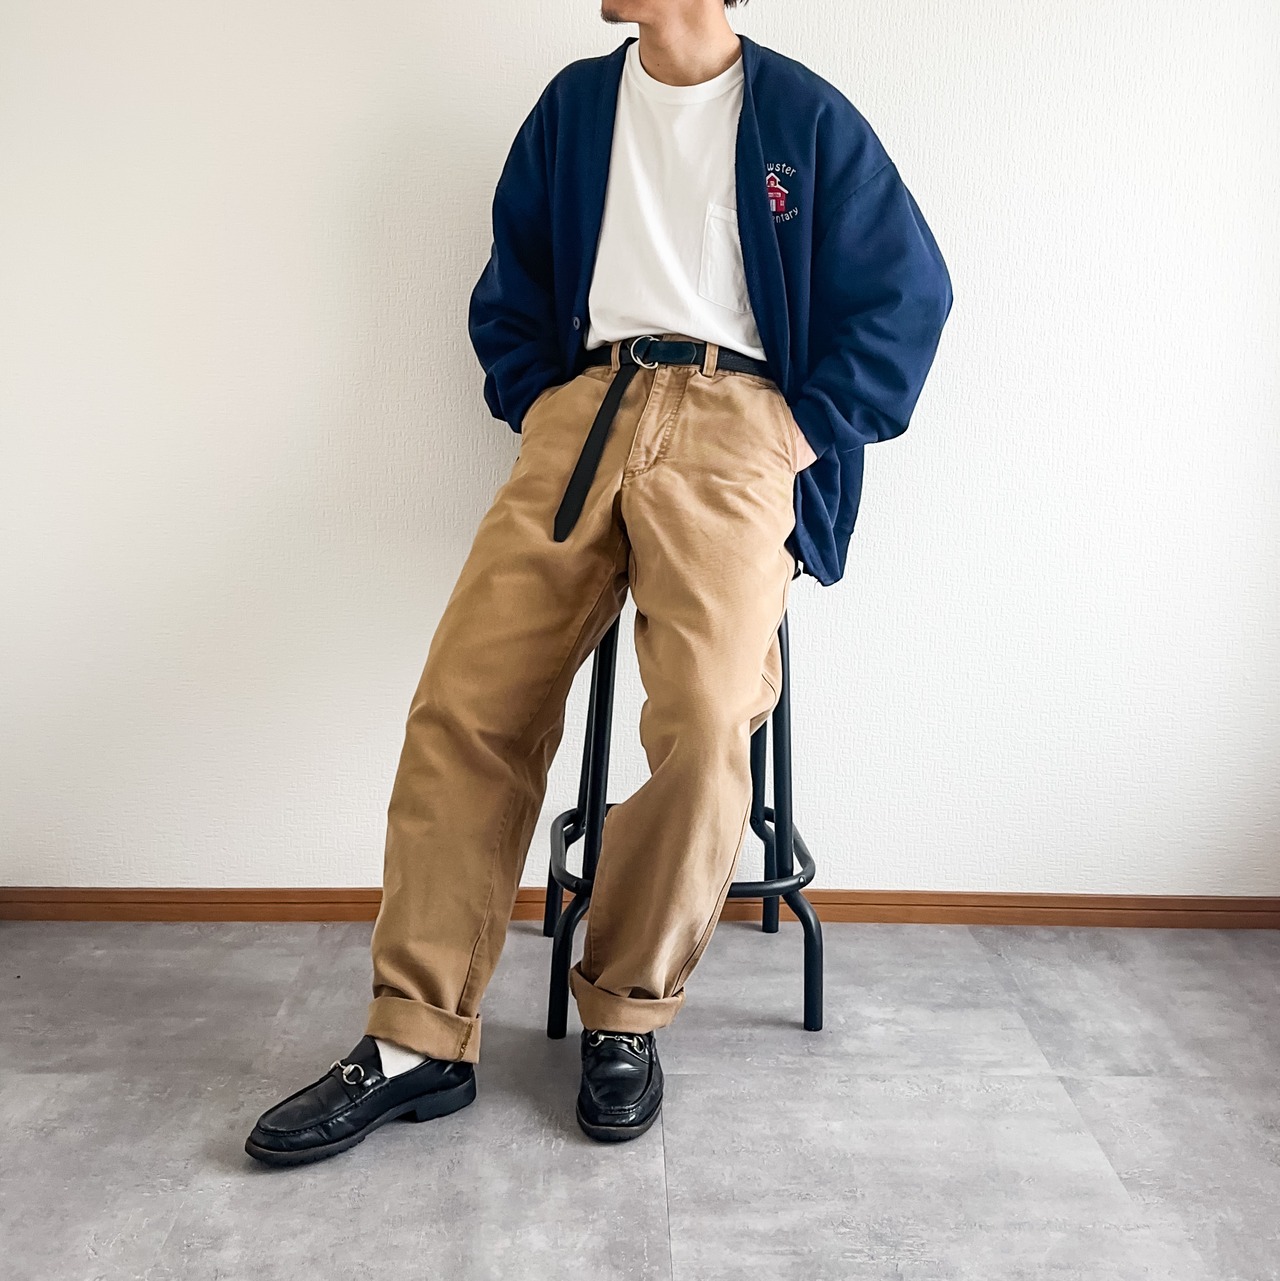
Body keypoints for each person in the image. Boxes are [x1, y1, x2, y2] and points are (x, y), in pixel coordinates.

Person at [244, 0, 953, 1167]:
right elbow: (511, 283)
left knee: (707, 720)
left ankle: (622, 1011)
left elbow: (907, 296)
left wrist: (796, 432)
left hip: (739, 423)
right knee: (466, 703)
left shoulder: (803, 117)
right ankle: (416, 1037)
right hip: (585, 411)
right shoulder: (576, 107)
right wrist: (542, 402)